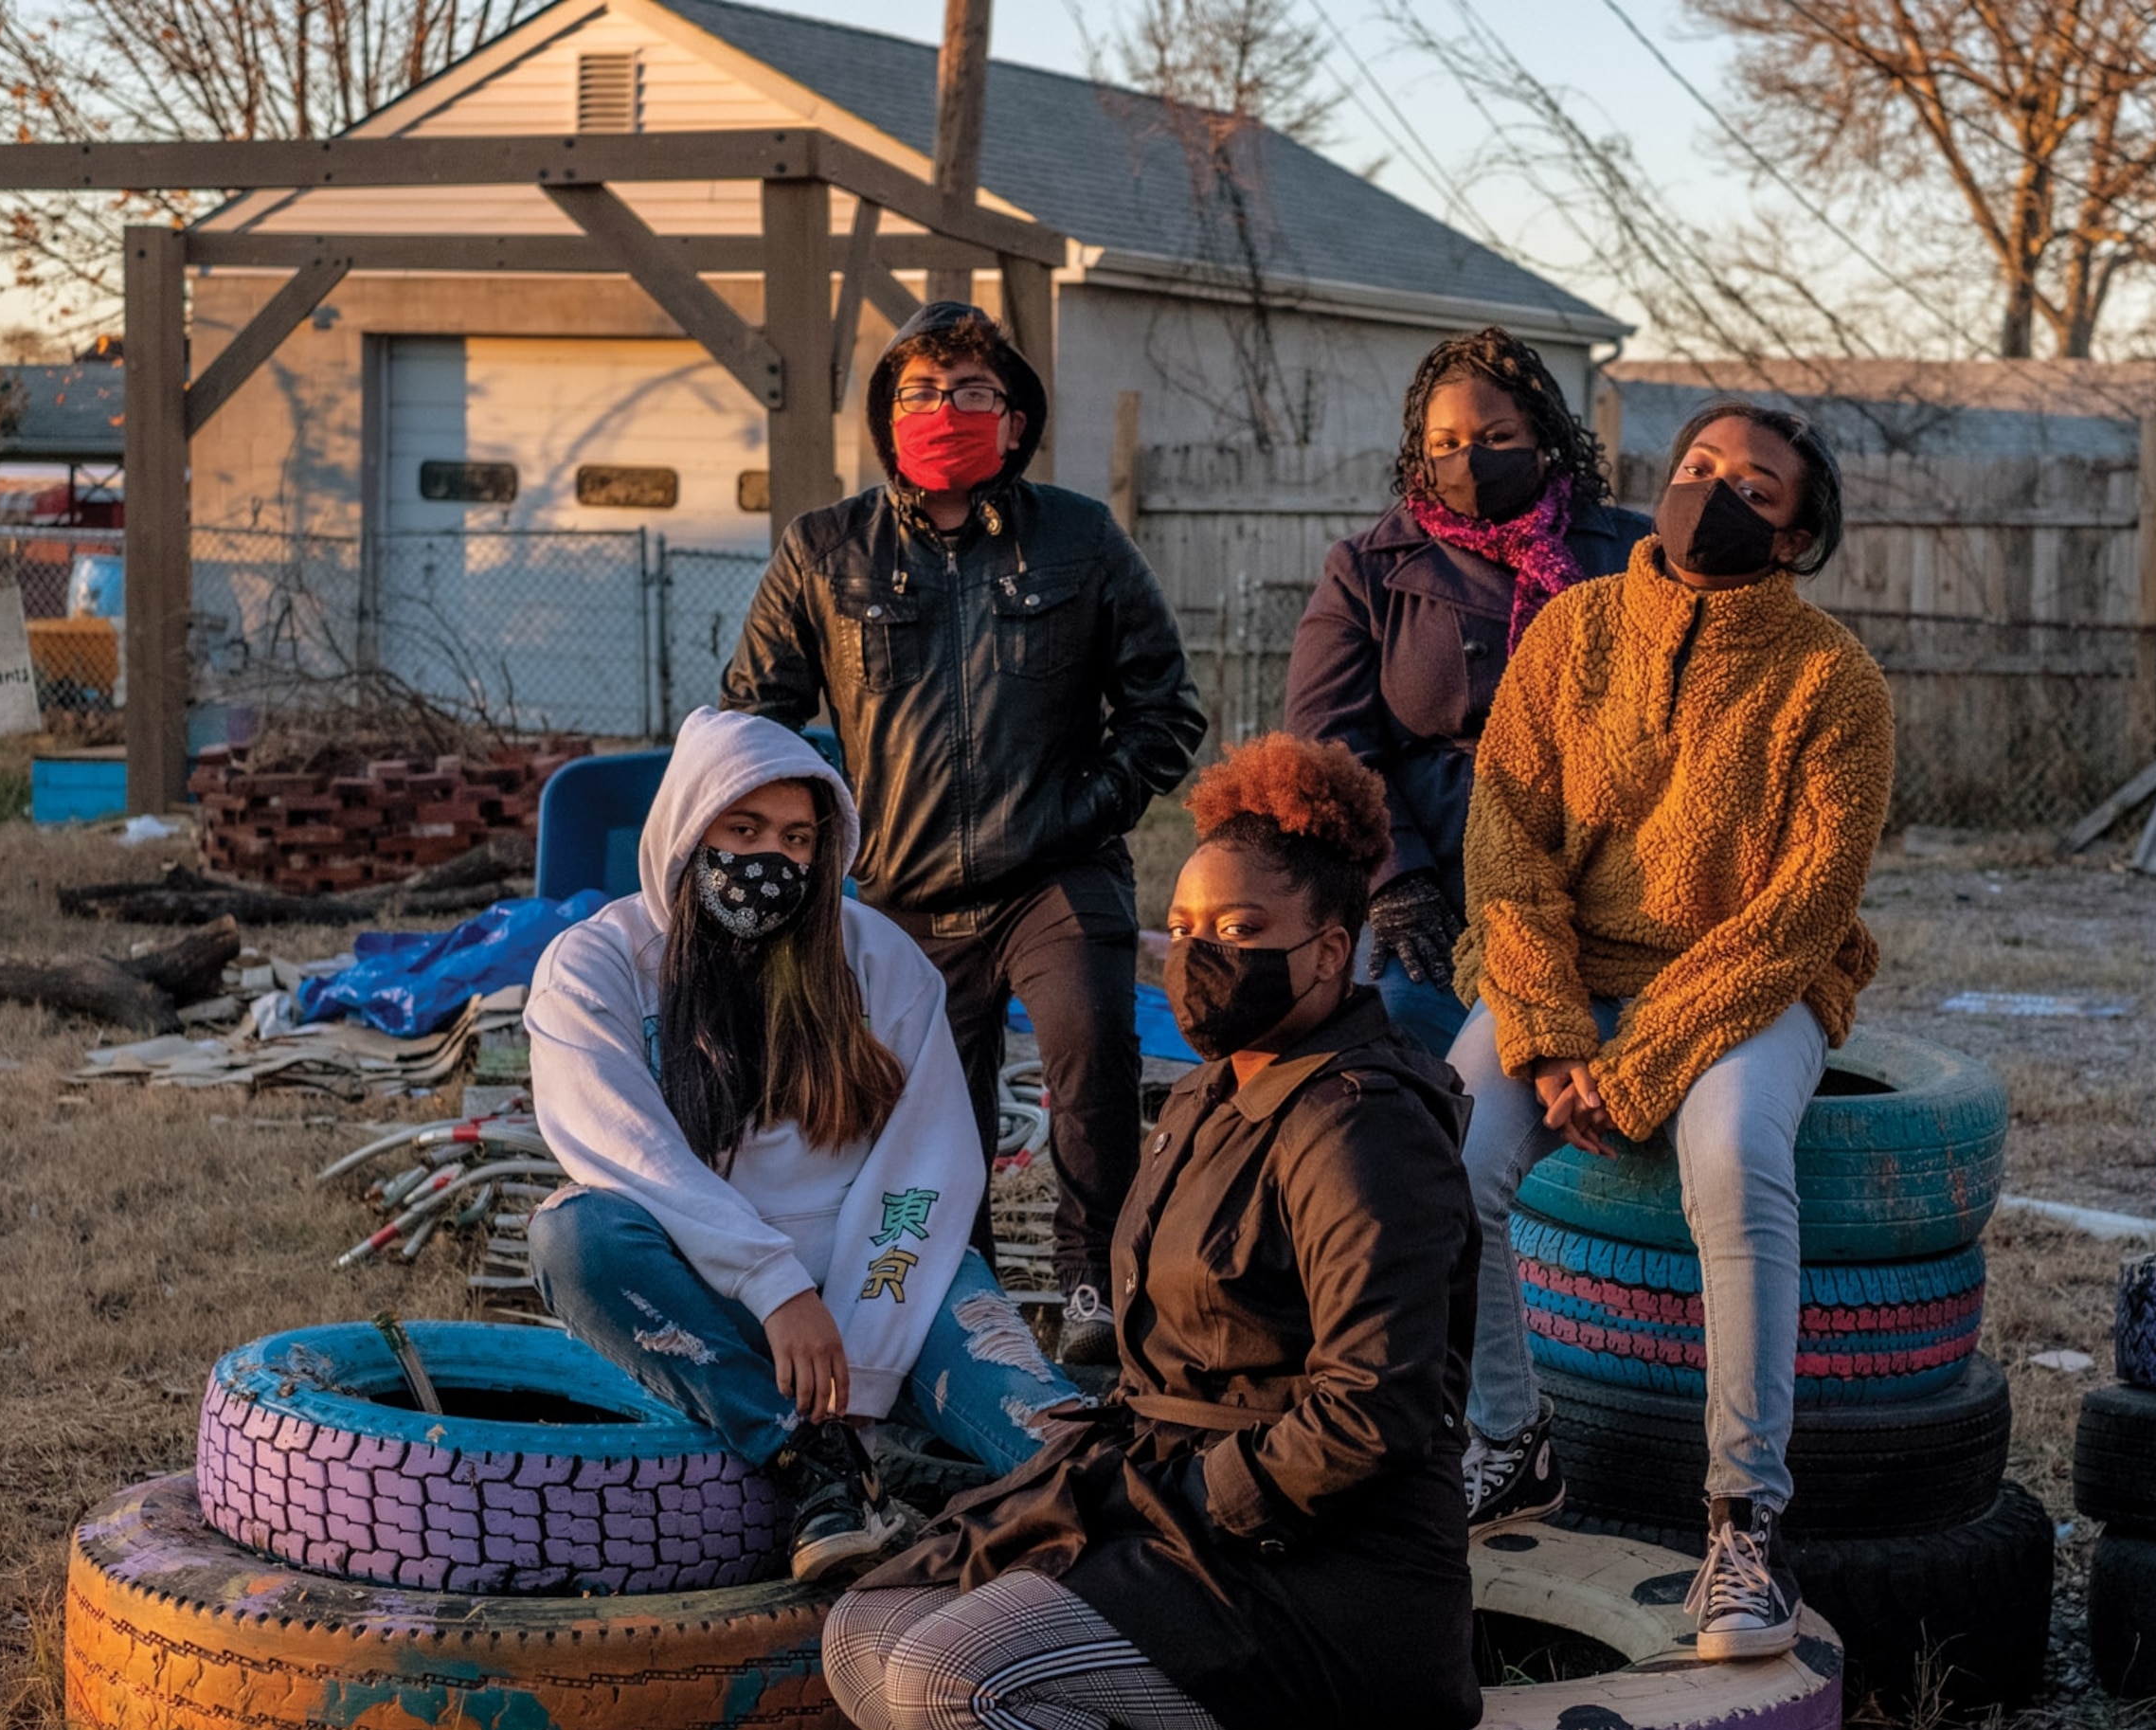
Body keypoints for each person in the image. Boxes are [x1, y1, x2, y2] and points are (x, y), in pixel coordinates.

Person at [823, 734, 1481, 1730]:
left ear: (1329, 951)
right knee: (863, 1635)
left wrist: (1188, 1504)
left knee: (949, 1674)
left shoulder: (1363, 1125)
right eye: (1184, 926)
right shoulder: (1213, 1089)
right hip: (1181, 1511)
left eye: (1239, 931)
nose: (1197, 957)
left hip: (1322, 1579)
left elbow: (1371, 1408)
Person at [1448, 403, 1892, 1661]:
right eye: (1699, 469)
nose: (1714, 495)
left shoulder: (1834, 681)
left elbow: (1802, 912)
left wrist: (1637, 1067)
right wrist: (1541, 1032)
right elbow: (1506, 842)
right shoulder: (1574, 631)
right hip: (1567, 979)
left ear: (1800, 533)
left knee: (1732, 1157)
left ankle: (1748, 1521)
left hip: (1754, 992)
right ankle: (1507, 1441)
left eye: (1755, 485)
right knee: (1447, 1139)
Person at [722, 299, 1206, 1367]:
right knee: (931, 1118)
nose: (948, 409)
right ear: (889, 416)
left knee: (1091, 1047)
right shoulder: (824, 550)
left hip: (1057, 873)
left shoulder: (1080, 538)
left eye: (975, 392)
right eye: (923, 391)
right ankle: (962, 1296)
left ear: (1018, 420)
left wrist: (1077, 812)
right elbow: (751, 719)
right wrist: (798, 845)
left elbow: (1168, 712)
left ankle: (1095, 1286)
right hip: (900, 886)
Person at [525, 707, 1079, 1577]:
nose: (768, 860)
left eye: (795, 838)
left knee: (1048, 1438)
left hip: (890, 1279)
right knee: (574, 1236)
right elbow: (622, 1147)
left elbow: (926, 1166)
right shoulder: (594, 965)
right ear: (684, 826)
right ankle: (821, 1461)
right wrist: (776, 1287)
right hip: (707, 1290)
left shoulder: (880, 962)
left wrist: (858, 1360)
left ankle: (1182, 1550)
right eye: (740, 828)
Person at [1284, 328, 1649, 1055]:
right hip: (1437, 882)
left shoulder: (1630, 554)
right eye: (1444, 442)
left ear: (1542, 437)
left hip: (1611, 874)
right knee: (1402, 1038)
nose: (1468, 459)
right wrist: (1395, 884)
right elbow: (1331, 745)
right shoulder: (1367, 568)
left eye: (1495, 435)